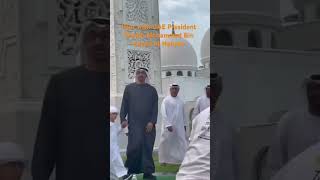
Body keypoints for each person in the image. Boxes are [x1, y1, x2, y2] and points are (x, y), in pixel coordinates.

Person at [32, 17, 109, 180]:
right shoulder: (62, 84)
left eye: (105, 37)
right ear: (85, 41)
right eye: (93, 36)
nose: (98, 42)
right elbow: (46, 138)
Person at [176, 73, 238, 180]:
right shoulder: (199, 118)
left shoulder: (228, 124)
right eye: (210, 88)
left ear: (219, 92)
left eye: (215, 89)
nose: (212, 93)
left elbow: (230, 161)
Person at [266, 74, 320, 178]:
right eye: (313, 89)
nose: (317, 93)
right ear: (307, 92)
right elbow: (274, 164)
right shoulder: (289, 121)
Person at [120, 68, 158, 180]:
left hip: (148, 126)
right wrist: (123, 119)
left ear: (146, 76)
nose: (141, 75)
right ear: (135, 75)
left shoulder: (152, 90)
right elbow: (124, 106)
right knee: (133, 148)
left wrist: (152, 122)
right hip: (134, 124)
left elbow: (155, 108)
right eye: (138, 73)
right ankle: (131, 172)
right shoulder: (129, 88)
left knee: (147, 148)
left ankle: (148, 173)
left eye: (143, 73)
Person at [158, 83, 188, 165]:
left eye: (176, 89)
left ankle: (183, 159)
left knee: (182, 141)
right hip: (168, 126)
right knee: (165, 142)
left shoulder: (181, 101)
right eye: (173, 89)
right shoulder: (166, 100)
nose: (174, 90)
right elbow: (163, 113)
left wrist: (184, 125)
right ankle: (163, 160)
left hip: (179, 125)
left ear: (178, 90)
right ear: (170, 90)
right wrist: (168, 124)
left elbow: (184, 114)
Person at [110, 106, 131, 180]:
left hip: (114, 147)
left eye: (116, 114)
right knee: (115, 162)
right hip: (111, 148)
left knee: (117, 161)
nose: (115, 115)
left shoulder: (113, 124)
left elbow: (115, 133)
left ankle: (123, 175)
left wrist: (122, 127)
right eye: (113, 114)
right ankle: (123, 175)